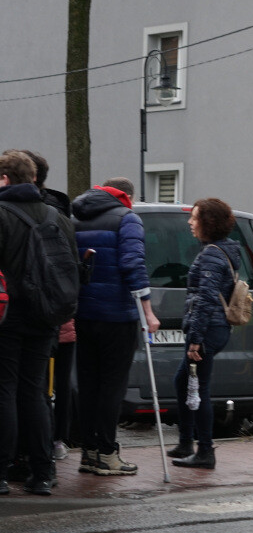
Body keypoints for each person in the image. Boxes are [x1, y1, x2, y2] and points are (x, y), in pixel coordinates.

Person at [0, 150, 79, 496]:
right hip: (46, 315)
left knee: (4, 390)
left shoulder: (1, 214)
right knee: (34, 392)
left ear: (5, 178)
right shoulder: (56, 215)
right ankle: (43, 472)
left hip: (7, 315)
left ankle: (1, 473)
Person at [72, 177, 161, 476]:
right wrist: (148, 312)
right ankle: (108, 454)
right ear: (127, 196)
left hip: (84, 314)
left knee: (88, 385)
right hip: (117, 316)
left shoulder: (76, 217)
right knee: (112, 386)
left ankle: (89, 452)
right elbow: (133, 264)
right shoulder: (127, 219)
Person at [168, 198, 241, 469]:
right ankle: (186, 442)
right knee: (182, 381)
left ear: (208, 222)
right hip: (215, 327)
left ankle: (205, 451)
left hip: (208, 330)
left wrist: (196, 339)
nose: (190, 222)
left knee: (198, 388)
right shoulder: (222, 250)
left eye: (194, 217)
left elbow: (206, 299)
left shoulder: (211, 254)